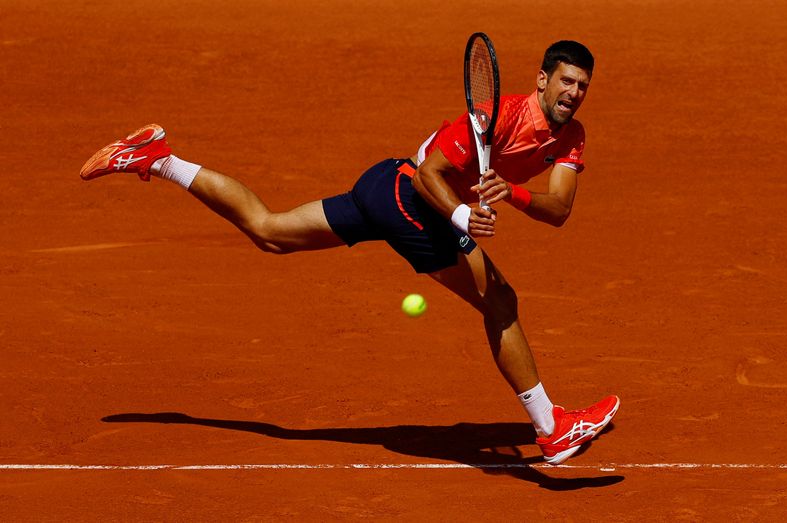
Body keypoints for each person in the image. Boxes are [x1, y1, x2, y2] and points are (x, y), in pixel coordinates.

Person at [80, 40, 619, 466]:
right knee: (500, 301)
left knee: (269, 231)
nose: (573, 93)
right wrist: (460, 215)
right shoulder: (493, 115)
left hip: (380, 189)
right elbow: (430, 172)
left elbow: (560, 209)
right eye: (566, 82)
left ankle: (159, 159)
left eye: (583, 87)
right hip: (410, 197)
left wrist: (514, 192)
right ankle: (551, 430)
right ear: (543, 80)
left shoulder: (572, 137)